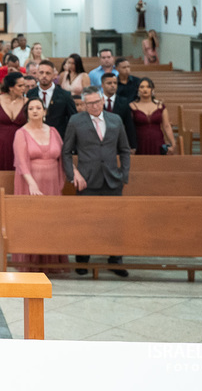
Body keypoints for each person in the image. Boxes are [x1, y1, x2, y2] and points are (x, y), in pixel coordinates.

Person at [62, 87, 131, 276]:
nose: (94, 106)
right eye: (90, 103)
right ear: (84, 104)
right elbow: (66, 152)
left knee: (114, 221)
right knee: (85, 220)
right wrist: (73, 175)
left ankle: (115, 260)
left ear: (102, 100)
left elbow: (124, 150)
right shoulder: (76, 121)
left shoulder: (115, 120)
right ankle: (83, 259)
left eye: (97, 102)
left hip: (112, 179)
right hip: (86, 179)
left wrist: (123, 175)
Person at [12, 98, 68, 272]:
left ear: (44, 112)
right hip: (30, 182)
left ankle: (50, 261)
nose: (35, 111)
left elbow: (63, 156)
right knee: (32, 221)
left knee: (50, 221)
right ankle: (30, 261)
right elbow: (21, 162)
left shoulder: (53, 131)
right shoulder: (21, 133)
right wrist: (32, 184)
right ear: (26, 113)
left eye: (38, 108)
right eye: (31, 108)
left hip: (52, 182)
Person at [0, 72, 27, 171]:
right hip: (0, 144)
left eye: (24, 85)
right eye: (20, 86)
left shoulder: (26, 102)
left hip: (20, 145)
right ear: (11, 87)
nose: (23, 88)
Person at [26, 60, 76, 138]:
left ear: (54, 75)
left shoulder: (65, 95)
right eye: (41, 72)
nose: (44, 76)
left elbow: (73, 119)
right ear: (37, 74)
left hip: (59, 139)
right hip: (34, 138)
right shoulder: (30, 94)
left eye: (48, 73)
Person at [129, 77, 176, 155]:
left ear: (152, 90)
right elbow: (129, 127)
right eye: (142, 87)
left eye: (148, 87)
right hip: (139, 142)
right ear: (138, 90)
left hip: (158, 141)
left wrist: (173, 143)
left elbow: (167, 126)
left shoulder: (160, 106)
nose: (145, 89)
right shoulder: (132, 106)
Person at [99, 72, 136, 150]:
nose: (113, 85)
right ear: (102, 85)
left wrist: (132, 145)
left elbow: (129, 124)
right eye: (109, 83)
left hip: (118, 142)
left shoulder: (124, 102)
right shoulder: (97, 101)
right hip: (100, 142)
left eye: (115, 83)